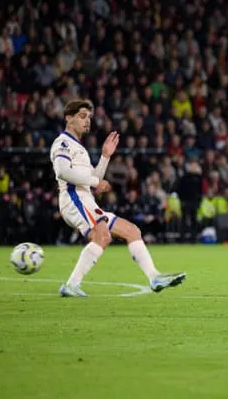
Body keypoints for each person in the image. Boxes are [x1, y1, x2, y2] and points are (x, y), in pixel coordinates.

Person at [50, 100, 186, 297]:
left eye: (88, 117)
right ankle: (71, 284)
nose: (87, 121)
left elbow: (93, 178)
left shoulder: (79, 147)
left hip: (85, 199)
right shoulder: (63, 143)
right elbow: (62, 171)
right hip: (74, 198)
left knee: (132, 231)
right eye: (82, 116)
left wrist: (105, 156)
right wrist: (96, 183)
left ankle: (154, 277)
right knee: (103, 236)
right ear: (68, 119)